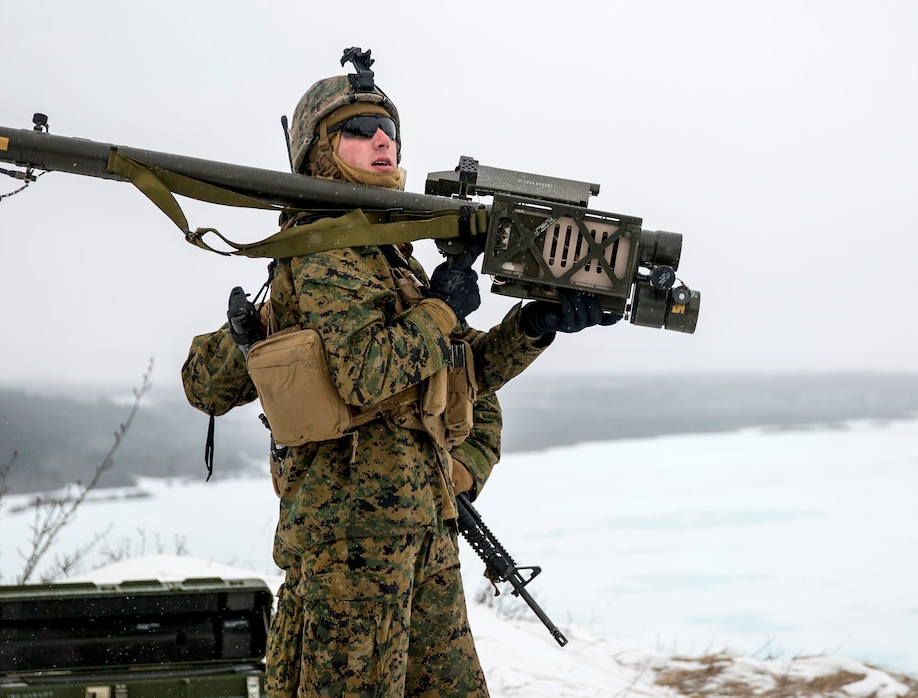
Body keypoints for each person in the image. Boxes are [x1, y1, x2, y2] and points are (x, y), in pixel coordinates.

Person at [181, 51, 618, 697]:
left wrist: (536, 324)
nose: (381, 138)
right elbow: (364, 374)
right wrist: (441, 306)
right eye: (357, 130)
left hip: (422, 528)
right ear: (318, 153)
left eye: (387, 127)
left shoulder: (391, 257)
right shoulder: (323, 250)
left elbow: (461, 371)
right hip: (351, 547)